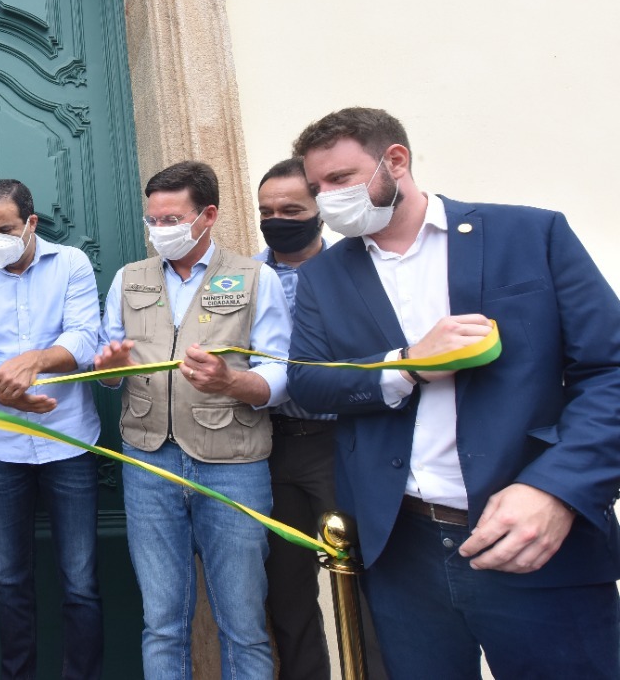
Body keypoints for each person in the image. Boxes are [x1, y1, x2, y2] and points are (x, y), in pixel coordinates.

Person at [287, 107, 620, 678]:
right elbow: (311, 381)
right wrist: (407, 366)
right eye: (318, 189)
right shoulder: (326, 275)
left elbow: (609, 372)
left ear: (396, 159)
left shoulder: (530, 234)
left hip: (530, 535)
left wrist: (558, 491)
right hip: (402, 546)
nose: (328, 199)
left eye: (340, 180)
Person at [94, 160, 290, 680]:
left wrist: (232, 382)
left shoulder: (254, 278)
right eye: (153, 221)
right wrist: (107, 370)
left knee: (244, 624)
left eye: (172, 219)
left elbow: (279, 371)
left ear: (208, 215)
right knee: (161, 623)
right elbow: (108, 373)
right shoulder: (128, 278)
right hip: (148, 462)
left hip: (233, 463)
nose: (161, 231)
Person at [0, 179, 104, 680]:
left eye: (7, 229)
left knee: (80, 580)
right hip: (2, 448)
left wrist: (33, 361)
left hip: (70, 441)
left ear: (31, 223)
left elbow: (84, 336)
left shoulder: (72, 264)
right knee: (9, 577)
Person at [253, 158, 387, 680]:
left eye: (291, 209)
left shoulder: (356, 274)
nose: (277, 218)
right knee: (285, 592)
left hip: (341, 444)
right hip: (270, 445)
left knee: (365, 582)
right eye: (266, 210)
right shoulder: (244, 279)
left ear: (320, 212)